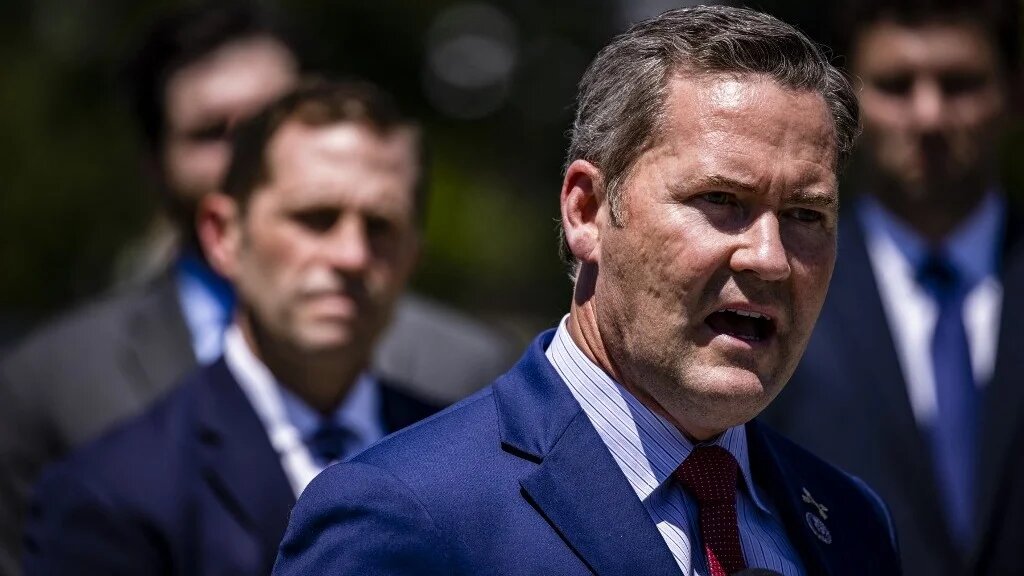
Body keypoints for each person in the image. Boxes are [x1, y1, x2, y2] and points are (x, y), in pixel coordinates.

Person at [273, 6, 901, 576]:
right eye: (721, 201)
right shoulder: (405, 517)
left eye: (806, 215)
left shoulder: (850, 523)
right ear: (587, 211)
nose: (769, 258)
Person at [0, 3, 511, 572]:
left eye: (381, 226)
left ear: (413, 251)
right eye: (313, 218)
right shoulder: (107, 487)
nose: (350, 254)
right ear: (224, 234)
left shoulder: (478, 448)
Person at [760, 0, 1024, 574]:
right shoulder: (774, 288)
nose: (929, 115)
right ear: (847, 105)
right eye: (896, 85)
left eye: (960, 84)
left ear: (1013, 92)